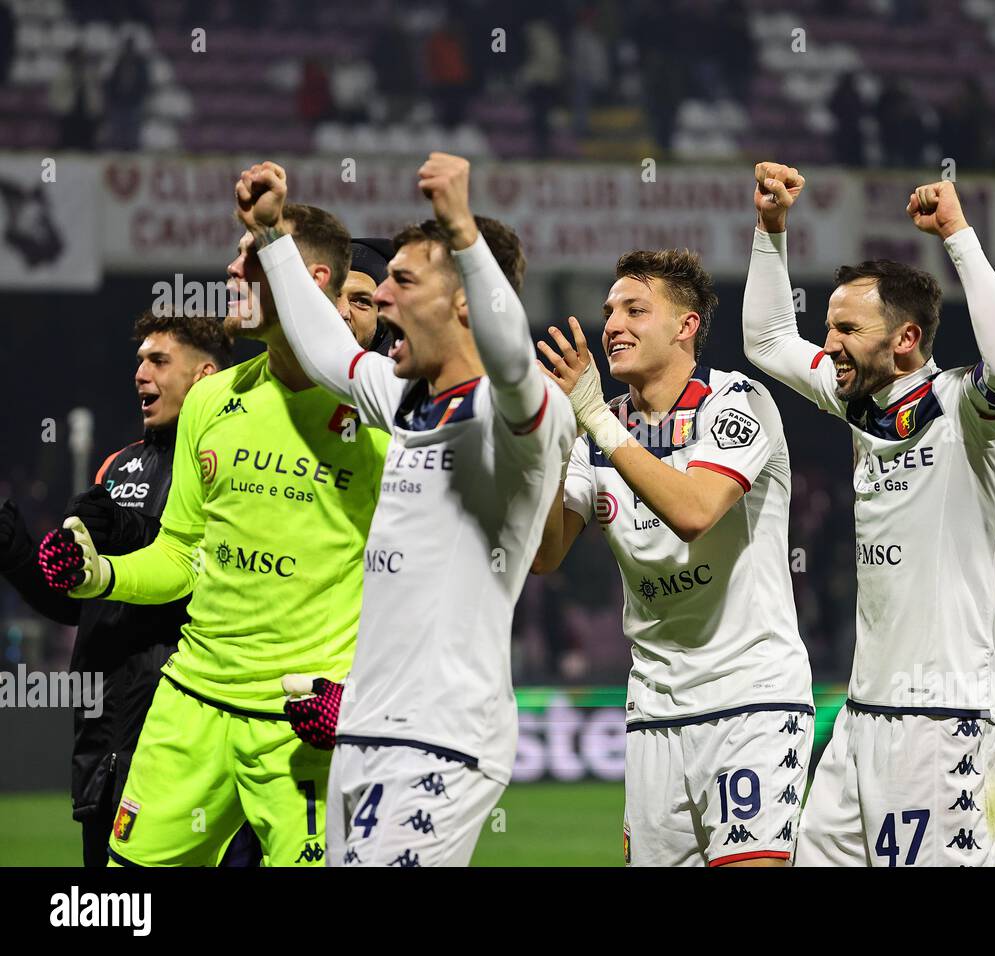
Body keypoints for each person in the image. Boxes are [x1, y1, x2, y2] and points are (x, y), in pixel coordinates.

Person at [243, 154, 573, 867]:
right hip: (366, 733)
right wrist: (272, 238)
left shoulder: (519, 417)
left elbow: (512, 362)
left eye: (402, 280)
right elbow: (330, 350)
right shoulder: (408, 403)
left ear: (462, 304)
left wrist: (462, 229)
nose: (380, 297)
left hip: (443, 737)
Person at [38, 202, 389, 867]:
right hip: (189, 705)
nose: (230, 270)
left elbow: (422, 584)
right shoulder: (212, 400)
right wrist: (99, 575)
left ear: (304, 280)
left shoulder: (382, 420)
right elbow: (179, 555)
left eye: (249, 261)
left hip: (303, 722)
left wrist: (364, 695)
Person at [742, 162, 995, 866]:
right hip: (863, 714)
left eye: (846, 329)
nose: (829, 342)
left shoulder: (966, 411)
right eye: (829, 326)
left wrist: (958, 234)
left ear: (903, 340)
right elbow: (768, 341)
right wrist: (771, 230)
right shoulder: (856, 399)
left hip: (947, 715)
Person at [531, 249, 814, 867]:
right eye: (609, 311)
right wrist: (551, 441)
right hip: (654, 709)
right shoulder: (599, 428)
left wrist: (597, 423)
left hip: (752, 696)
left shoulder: (735, 402)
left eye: (636, 310)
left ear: (686, 327)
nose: (613, 325)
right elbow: (546, 553)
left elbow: (693, 512)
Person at [0, 312, 254, 865]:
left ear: (205, 376)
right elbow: (82, 608)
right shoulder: (118, 466)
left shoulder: (237, 468)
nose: (140, 373)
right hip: (100, 741)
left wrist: (129, 534)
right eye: (139, 360)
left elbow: (207, 581)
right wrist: (18, 552)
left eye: (159, 361)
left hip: (176, 733)